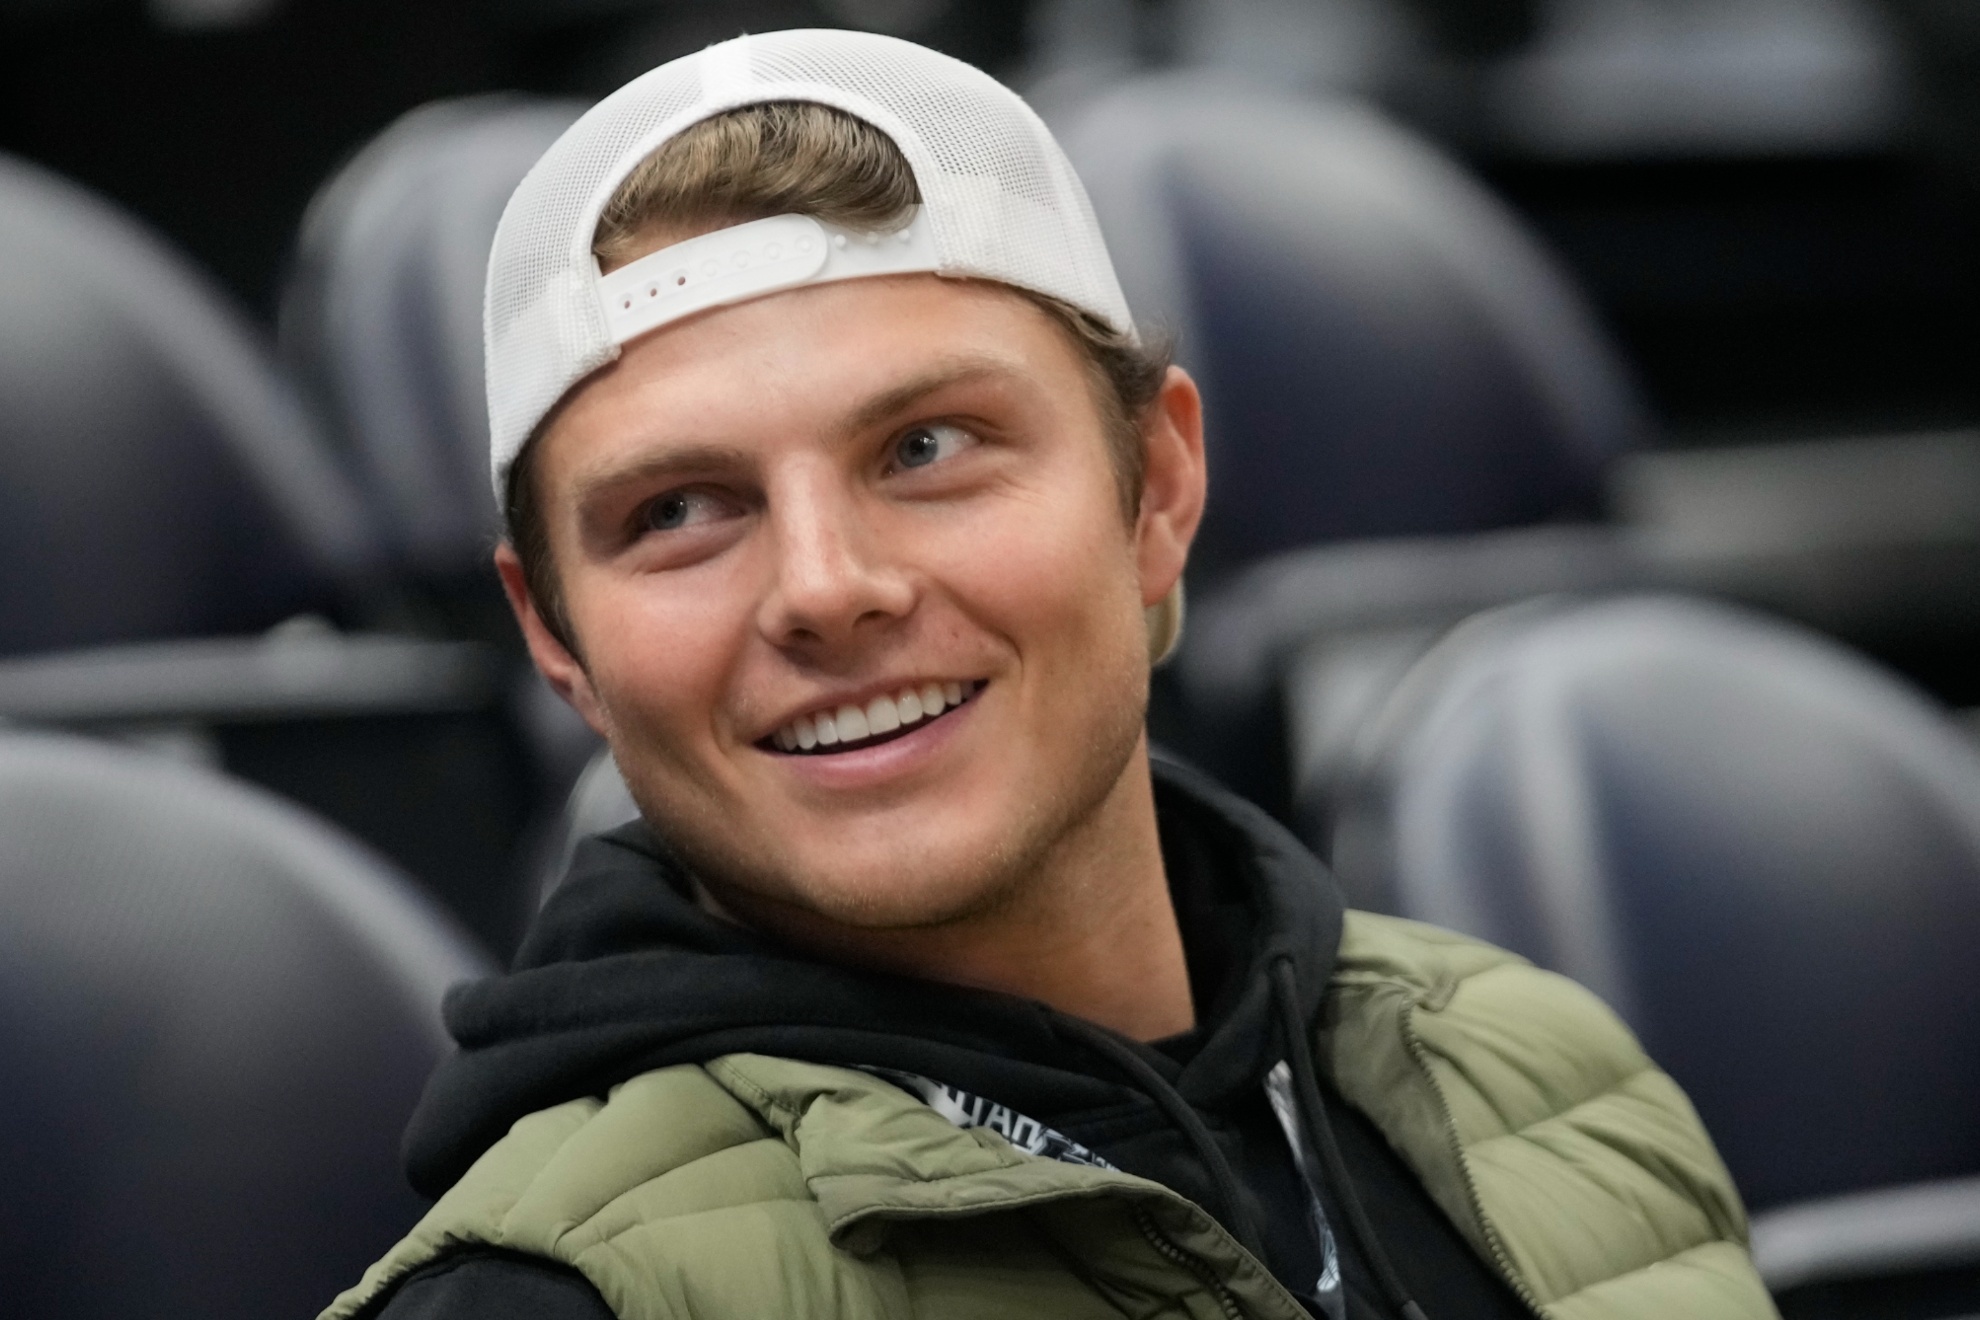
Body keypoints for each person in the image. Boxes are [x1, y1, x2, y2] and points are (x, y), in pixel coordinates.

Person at [324, 29, 1776, 1320]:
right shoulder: (542, 1300)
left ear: (1155, 489)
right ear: (557, 639)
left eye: (927, 448)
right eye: (681, 513)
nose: (827, 588)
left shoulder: (1548, 1076)